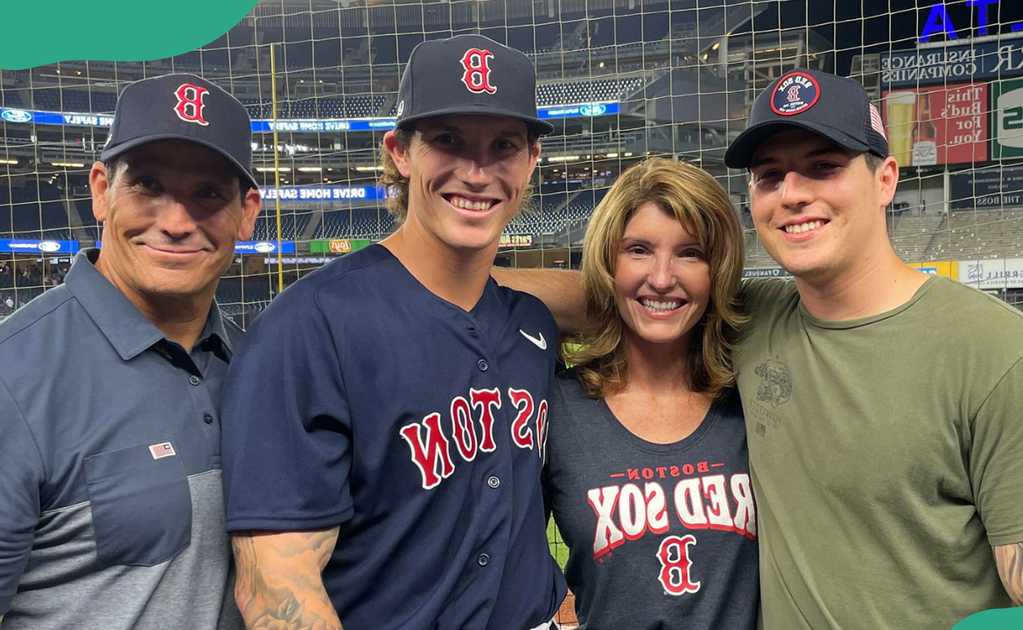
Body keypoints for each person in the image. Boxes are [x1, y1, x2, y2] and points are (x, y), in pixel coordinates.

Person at [497, 69, 1023, 628]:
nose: (793, 192)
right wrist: (428, 286)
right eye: (771, 175)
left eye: (823, 166)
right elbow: (632, 294)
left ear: (885, 178)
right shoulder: (750, 322)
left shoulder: (1007, 360)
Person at [220, 34, 565, 629]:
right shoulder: (309, 327)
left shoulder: (530, 323)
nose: (477, 171)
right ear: (400, 151)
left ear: (531, 160)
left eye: (503, 145)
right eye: (447, 141)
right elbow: (277, 586)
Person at [0, 73, 262, 628]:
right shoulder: (12, 375)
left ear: (248, 211)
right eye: (147, 185)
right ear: (100, 190)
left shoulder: (260, 368)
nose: (174, 222)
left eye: (209, 193)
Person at [543, 158, 760, 629]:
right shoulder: (557, 407)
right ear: (607, 261)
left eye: (690, 253)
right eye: (638, 250)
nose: (662, 278)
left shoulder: (757, 391)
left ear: (718, 269)